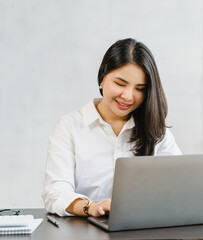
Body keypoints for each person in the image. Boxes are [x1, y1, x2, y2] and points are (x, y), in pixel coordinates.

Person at [43, 38, 181, 218]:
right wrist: (90, 207)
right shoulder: (69, 126)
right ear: (102, 78)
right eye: (120, 84)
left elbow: (179, 186)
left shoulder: (157, 132)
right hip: (85, 230)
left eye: (140, 88)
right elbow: (55, 191)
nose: (128, 96)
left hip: (143, 230)